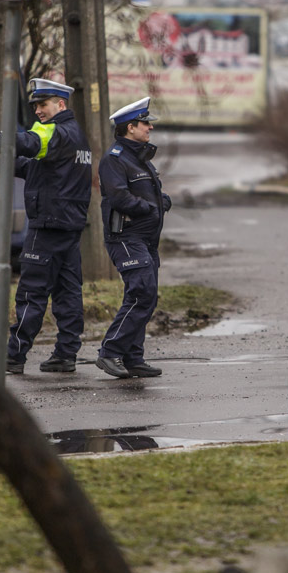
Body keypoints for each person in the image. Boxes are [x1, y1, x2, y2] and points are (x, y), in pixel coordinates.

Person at [0, 78, 92, 375]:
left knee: (32, 292)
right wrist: (1, 164)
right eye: (36, 106)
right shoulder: (75, 134)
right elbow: (38, 167)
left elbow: (30, 142)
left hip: (48, 225)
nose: (38, 110)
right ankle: (66, 355)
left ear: (60, 104)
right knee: (68, 293)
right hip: (69, 226)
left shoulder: (53, 132)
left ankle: (13, 356)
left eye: (43, 104)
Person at [94, 97, 171, 379]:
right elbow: (119, 196)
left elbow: (144, 191)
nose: (150, 127)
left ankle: (133, 357)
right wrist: (150, 208)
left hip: (145, 240)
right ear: (130, 127)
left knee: (146, 297)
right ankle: (110, 352)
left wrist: (161, 200)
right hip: (126, 237)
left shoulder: (137, 157)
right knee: (142, 292)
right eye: (145, 123)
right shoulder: (114, 159)